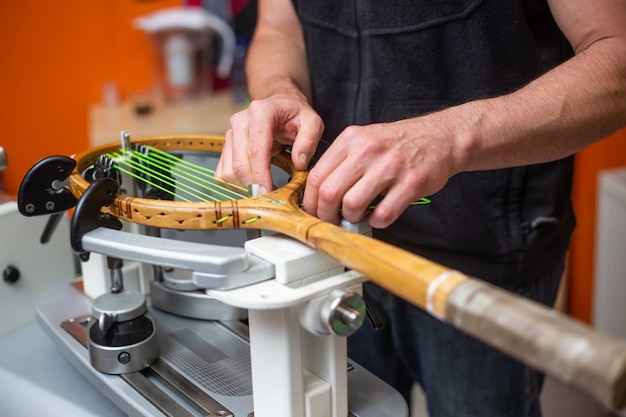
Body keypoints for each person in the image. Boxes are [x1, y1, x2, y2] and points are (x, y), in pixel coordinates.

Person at [215, 1, 626, 416]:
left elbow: (618, 59)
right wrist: (280, 90)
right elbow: (279, 30)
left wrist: (450, 138)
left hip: (481, 258)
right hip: (333, 247)